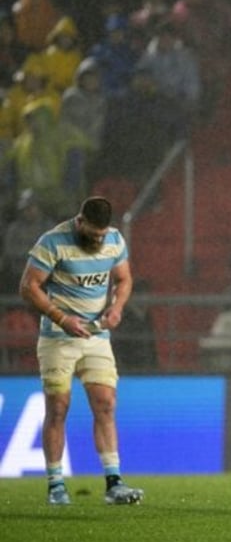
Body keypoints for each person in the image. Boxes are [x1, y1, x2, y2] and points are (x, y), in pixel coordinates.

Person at [18, 196, 144, 505]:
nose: (98, 240)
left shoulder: (114, 239)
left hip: (96, 337)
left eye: (102, 234)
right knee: (58, 409)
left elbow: (124, 278)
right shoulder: (53, 242)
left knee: (105, 404)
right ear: (80, 222)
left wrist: (116, 308)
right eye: (93, 233)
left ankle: (114, 483)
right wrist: (61, 318)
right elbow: (28, 286)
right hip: (58, 339)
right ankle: (56, 485)